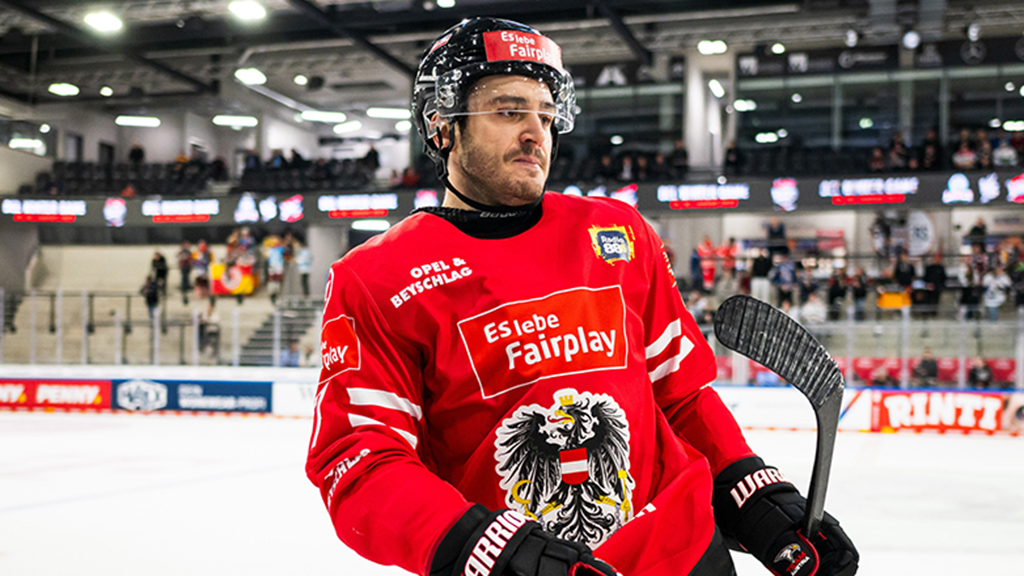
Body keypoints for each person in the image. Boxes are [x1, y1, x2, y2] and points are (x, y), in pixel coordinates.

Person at [305, 17, 856, 576]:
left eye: (546, 116)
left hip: (685, 555)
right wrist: (484, 547)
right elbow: (359, 461)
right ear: (441, 125)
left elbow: (680, 396)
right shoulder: (377, 277)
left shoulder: (616, 233)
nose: (535, 133)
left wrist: (752, 495)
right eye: (508, 110)